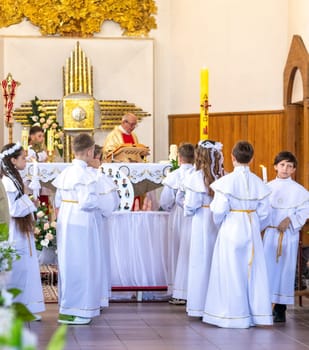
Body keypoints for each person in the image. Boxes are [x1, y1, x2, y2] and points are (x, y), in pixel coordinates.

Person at [203, 141, 273, 328]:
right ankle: (256, 316)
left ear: (232, 158)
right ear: (252, 159)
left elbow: (218, 211)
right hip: (251, 225)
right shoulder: (259, 183)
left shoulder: (225, 183)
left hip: (231, 226)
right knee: (253, 272)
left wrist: (223, 225)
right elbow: (266, 214)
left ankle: (232, 315)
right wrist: (255, 227)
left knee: (230, 271)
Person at [52, 133, 102, 325]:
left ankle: (67, 308)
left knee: (68, 262)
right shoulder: (85, 175)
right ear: (90, 151)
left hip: (66, 218)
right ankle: (80, 309)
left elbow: (57, 201)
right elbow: (87, 202)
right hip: (82, 220)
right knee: (83, 263)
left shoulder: (65, 173)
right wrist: (100, 201)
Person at [0, 142, 45, 320]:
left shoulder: (15, 177)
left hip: (21, 230)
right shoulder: (7, 181)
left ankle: (27, 307)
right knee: (17, 268)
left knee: (27, 268)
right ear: (12, 160)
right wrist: (31, 204)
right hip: (14, 231)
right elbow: (13, 209)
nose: (25, 160)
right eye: (22, 158)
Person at [263, 151, 309, 323]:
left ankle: (280, 309)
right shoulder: (267, 188)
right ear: (275, 166)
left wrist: (290, 219)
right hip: (270, 233)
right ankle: (265, 306)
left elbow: (305, 211)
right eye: (282, 165)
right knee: (268, 270)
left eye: (289, 166)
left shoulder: (300, 191)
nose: (285, 168)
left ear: (294, 170)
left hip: (287, 235)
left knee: (284, 271)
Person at [183, 140, 224, 317]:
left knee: (200, 262)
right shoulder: (224, 175)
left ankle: (199, 306)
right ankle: (216, 305)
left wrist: (187, 208)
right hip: (219, 222)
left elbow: (191, 205)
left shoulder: (195, 177)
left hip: (201, 219)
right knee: (217, 261)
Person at [159, 142, 195, 303]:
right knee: (192, 251)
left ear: (179, 158)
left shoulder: (174, 176)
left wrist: (169, 208)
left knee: (177, 250)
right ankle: (193, 290)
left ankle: (178, 291)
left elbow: (165, 201)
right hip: (195, 216)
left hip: (178, 215)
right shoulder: (198, 175)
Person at [88, 144, 120, 309]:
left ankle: (95, 296)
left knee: (95, 257)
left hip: (95, 222)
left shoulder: (98, 179)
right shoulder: (99, 179)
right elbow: (111, 204)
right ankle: (98, 296)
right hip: (97, 221)